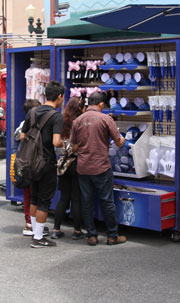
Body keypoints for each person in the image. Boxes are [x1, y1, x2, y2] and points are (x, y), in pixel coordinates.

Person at [70, 92, 126, 246]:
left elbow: (74, 147)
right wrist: (123, 138)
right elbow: (119, 142)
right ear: (101, 104)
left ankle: (92, 236)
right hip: (101, 166)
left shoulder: (77, 121)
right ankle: (112, 236)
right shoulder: (106, 119)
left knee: (86, 202)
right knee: (107, 201)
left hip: (83, 167)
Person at [20, 80, 64, 248]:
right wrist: (64, 144)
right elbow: (56, 141)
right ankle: (38, 238)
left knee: (35, 198)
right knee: (44, 200)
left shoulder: (32, 112)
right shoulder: (56, 116)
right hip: (46, 163)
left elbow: (23, 136)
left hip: (30, 162)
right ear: (59, 96)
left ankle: (34, 230)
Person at [51, 96, 85, 241]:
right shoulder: (81, 122)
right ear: (79, 108)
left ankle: (56, 229)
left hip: (63, 164)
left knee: (64, 197)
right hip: (76, 162)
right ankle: (77, 231)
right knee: (76, 198)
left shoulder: (62, 121)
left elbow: (57, 143)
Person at [14, 99, 42, 237]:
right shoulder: (33, 127)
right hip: (33, 166)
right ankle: (32, 224)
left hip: (23, 166)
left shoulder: (21, 127)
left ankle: (29, 223)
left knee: (27, 196)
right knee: (35, 196)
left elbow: (15, 146)